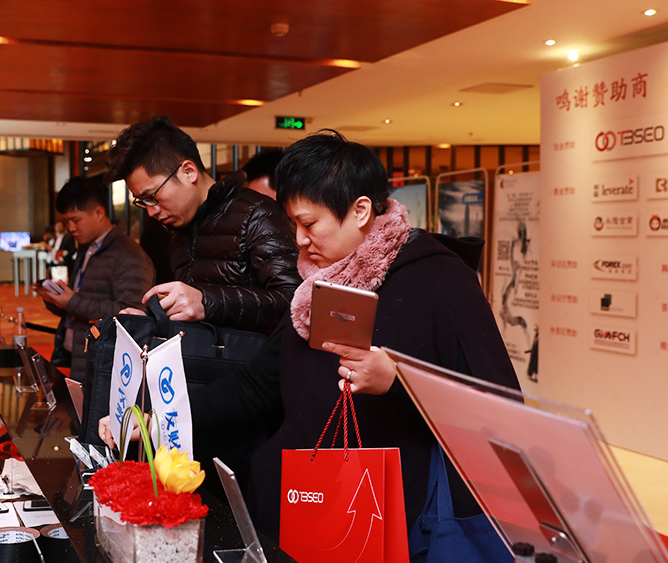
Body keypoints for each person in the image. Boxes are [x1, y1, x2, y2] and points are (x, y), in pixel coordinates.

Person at [101, 130, 520, 551]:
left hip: (397, 522)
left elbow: (498, 411)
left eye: (309, 224)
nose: (299, 239)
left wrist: (399, 382)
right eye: (294, 224)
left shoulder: (438, 280)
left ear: (360, 211)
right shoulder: (317, 288)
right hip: (310, 505)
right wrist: (158, 419)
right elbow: (255, 387)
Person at [105, 115, 300, 335]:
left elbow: (294, 302)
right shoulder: (179, 234)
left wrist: (206, 301)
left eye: (153, 196)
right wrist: (151, 322)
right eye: (143, 202)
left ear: (188, 171)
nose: (151, 211)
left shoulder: (257, 214)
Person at [39, 176, 155, 382]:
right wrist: (56, 300)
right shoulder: (87, 249)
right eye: (66, 222)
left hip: (106, 366)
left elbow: (132, 314)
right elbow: (81, 303)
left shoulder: (129, 255)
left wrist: (72, 301)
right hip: (79, 356)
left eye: (76, 220)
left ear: (99, 213)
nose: (71, 228)